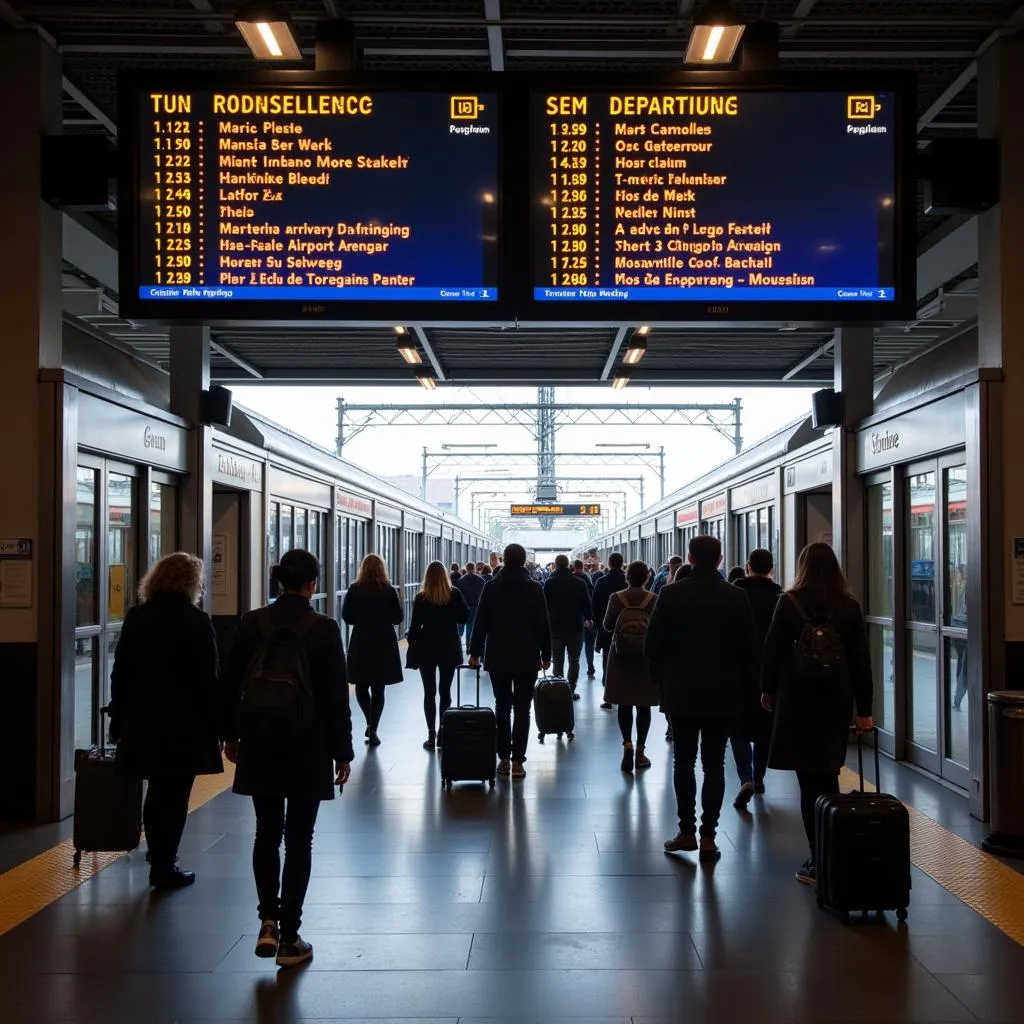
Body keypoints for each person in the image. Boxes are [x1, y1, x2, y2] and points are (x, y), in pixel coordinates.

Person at [222, 549, 353, 968]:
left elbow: (229, 682)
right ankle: (291, 938)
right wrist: (343, 752)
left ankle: (267, 920)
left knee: (266, 833)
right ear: (313, 583)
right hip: (308, 744)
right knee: (300, 839)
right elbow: (336, 697)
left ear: (280, 581)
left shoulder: (251, 623)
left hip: (259, 742)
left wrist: (230, 735)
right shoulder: (324, 628)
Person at [761, 542, 873, 887]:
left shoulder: (789, 602)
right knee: (829, 773)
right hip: (835, 699)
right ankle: (836, 853)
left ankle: (818, 858)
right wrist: (864, 711)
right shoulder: (849, 607)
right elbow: (860, 662)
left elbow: (773, 649)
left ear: (803, 567)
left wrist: (767, 690)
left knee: (808, 782)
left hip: (798, 698)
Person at [107, 552, 220, 891]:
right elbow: (208, 680)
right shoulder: (197, 621)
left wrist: (119, 715)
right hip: (183, 725)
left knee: (156, 789)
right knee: (175, 794)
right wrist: (219, 726)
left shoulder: (137, 617)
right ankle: (164, 865)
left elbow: (120, 672)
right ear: (191, 583)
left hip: (142, 719)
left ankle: (158, 856)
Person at [646, 535, 758, 862]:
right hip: (723, 693)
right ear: (720, 559)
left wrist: (663, 679)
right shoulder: (737, 597)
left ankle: (686, 832)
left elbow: (652, 647)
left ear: (690, 559)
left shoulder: (670, 593)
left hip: (681, 693)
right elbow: (750, 651)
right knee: (715, 764)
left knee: (684, 762)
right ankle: (709, 836)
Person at [469, 543, 552, 779]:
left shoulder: (491, 587)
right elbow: (542, 624)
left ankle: (503, 758)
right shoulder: (535, 588)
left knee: (502, 707)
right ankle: (518, 761)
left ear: (504, 560)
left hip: (498, 657)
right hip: (527, 658)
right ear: (525, 560)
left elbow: (481, 623)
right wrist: (547, 655)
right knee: (523, 710)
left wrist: (475, 652)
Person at [730, 548, 783, 808]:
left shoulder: (735, 592)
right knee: (763, 728)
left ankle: (746, 777)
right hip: (769, 672)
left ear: (747, 565)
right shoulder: (781, 596)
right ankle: (760, 778)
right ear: (771, 568)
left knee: (737, 727)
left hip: (738, 670)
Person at [602, 560, 660, 772]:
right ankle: (641, 751)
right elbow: (657, 628)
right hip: (645, 658)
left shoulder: (616, 598)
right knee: (643, 705)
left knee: (624, 703)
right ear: (646, 577)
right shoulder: (653, 598)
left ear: (627, 576)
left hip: (621, 657)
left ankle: (627, 744)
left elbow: (608, 626)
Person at [342, 553, 403, 747]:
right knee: (379, 687)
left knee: (360, 685)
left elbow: (347, 617)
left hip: (361, 641)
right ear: (382, 569)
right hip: (384, 642)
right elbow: (398, 619)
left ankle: (369, 721)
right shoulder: (389, 590)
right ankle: (373, 727)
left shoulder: (354, 589)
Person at [408, 561, 468, 750]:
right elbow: (464, 617)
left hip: (427, 647)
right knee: (445, 692)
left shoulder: (422, 597)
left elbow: (415, 626)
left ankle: (431, 735)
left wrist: (412, 642)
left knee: (429, 693)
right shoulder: (454, 594)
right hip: (449, 647)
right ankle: (444, 732)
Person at [543, 554, 593, 698]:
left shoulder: (549, 582)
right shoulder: (579, 583)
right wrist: (589, 618)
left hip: (555, 627)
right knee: (574, 660)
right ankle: (571, 690)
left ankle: (559, 689)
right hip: (575, 627)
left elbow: (544, 605)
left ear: (556, 565)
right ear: (569, 565)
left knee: (558, 660)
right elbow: (586, 603)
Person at [592, 552, 627, 708]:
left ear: (610, 564)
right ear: (621, 563)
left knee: (608, 659)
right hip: (628, 626)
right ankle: (626, 693)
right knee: (626, 658)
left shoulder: (601, 581)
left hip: (607, 626)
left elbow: (595, 604)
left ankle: (609, 696)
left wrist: (595, 623)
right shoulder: (628, 580)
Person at [573, 559, 598, 678]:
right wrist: (590, 617)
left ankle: (575, 665)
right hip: (588, 617)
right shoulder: (587, 579)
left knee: (576, 646)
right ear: (582, 567)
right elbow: (591, 599)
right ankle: (590, 666)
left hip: (576, 618)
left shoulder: (571, 580)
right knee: (589, 644)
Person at [456, 561, 486, 651]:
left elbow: (459, 595)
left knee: (460, 627)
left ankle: (458, 643)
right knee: (470, 627)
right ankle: (469, 645)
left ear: (466, 568)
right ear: (474, 568)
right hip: (475, 606)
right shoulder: (481, 580)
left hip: (464, 606)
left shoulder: (460, 581)